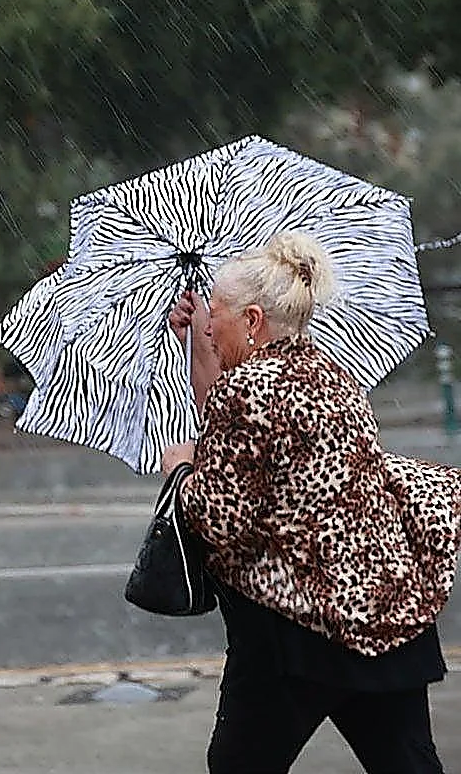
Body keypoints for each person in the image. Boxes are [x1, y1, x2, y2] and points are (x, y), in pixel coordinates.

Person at [161, 231, 461, 774]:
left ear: (252, 320)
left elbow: (220, 520)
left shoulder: (249, 391)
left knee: (238, 765)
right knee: (409, 764)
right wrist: (199, 347)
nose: (210, 320)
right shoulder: (332, 373)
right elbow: (231, 425)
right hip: (383, 616)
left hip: (298, 634)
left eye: (219, 311)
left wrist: (181, 471)